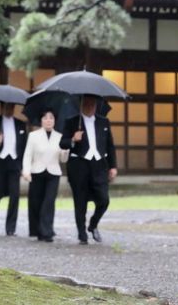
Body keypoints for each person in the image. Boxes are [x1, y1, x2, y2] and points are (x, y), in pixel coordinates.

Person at [59, 95, 117, 245]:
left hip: (99, 166)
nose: (90, 106)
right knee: (80, 201)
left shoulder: (103, 122)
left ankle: (93, 224)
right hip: (79, 166)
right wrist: (73, 139)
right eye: (87, 103)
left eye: (93, 103)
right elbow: (63, 143)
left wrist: (113, 166)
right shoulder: (72, 121)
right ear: (82, 104)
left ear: (97, 104)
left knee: (104, 200)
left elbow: (110, 145)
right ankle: (81, 233)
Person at [22, 109, 67, 242]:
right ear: (41, 120)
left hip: (53, 173)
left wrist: (66, 150)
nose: (48, 120)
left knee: (49, 202)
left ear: (55, 121)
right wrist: (26, 170)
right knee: (36, 202)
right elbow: (28, 154)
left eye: (51, 118)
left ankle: (47, 231)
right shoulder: (33, 135)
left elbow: (63, 159)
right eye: (45, 118)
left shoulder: (59, 136)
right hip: (37, 171)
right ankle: (38, 230)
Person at [0, 102, 27, 236]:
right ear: (2, 107)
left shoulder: (21, 124)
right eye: (7, 106)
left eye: (12, 106)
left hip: (14, 163)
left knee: (15, 196)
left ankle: (10, 228)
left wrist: (22, 165)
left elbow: (24, 145)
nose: (9, 109)